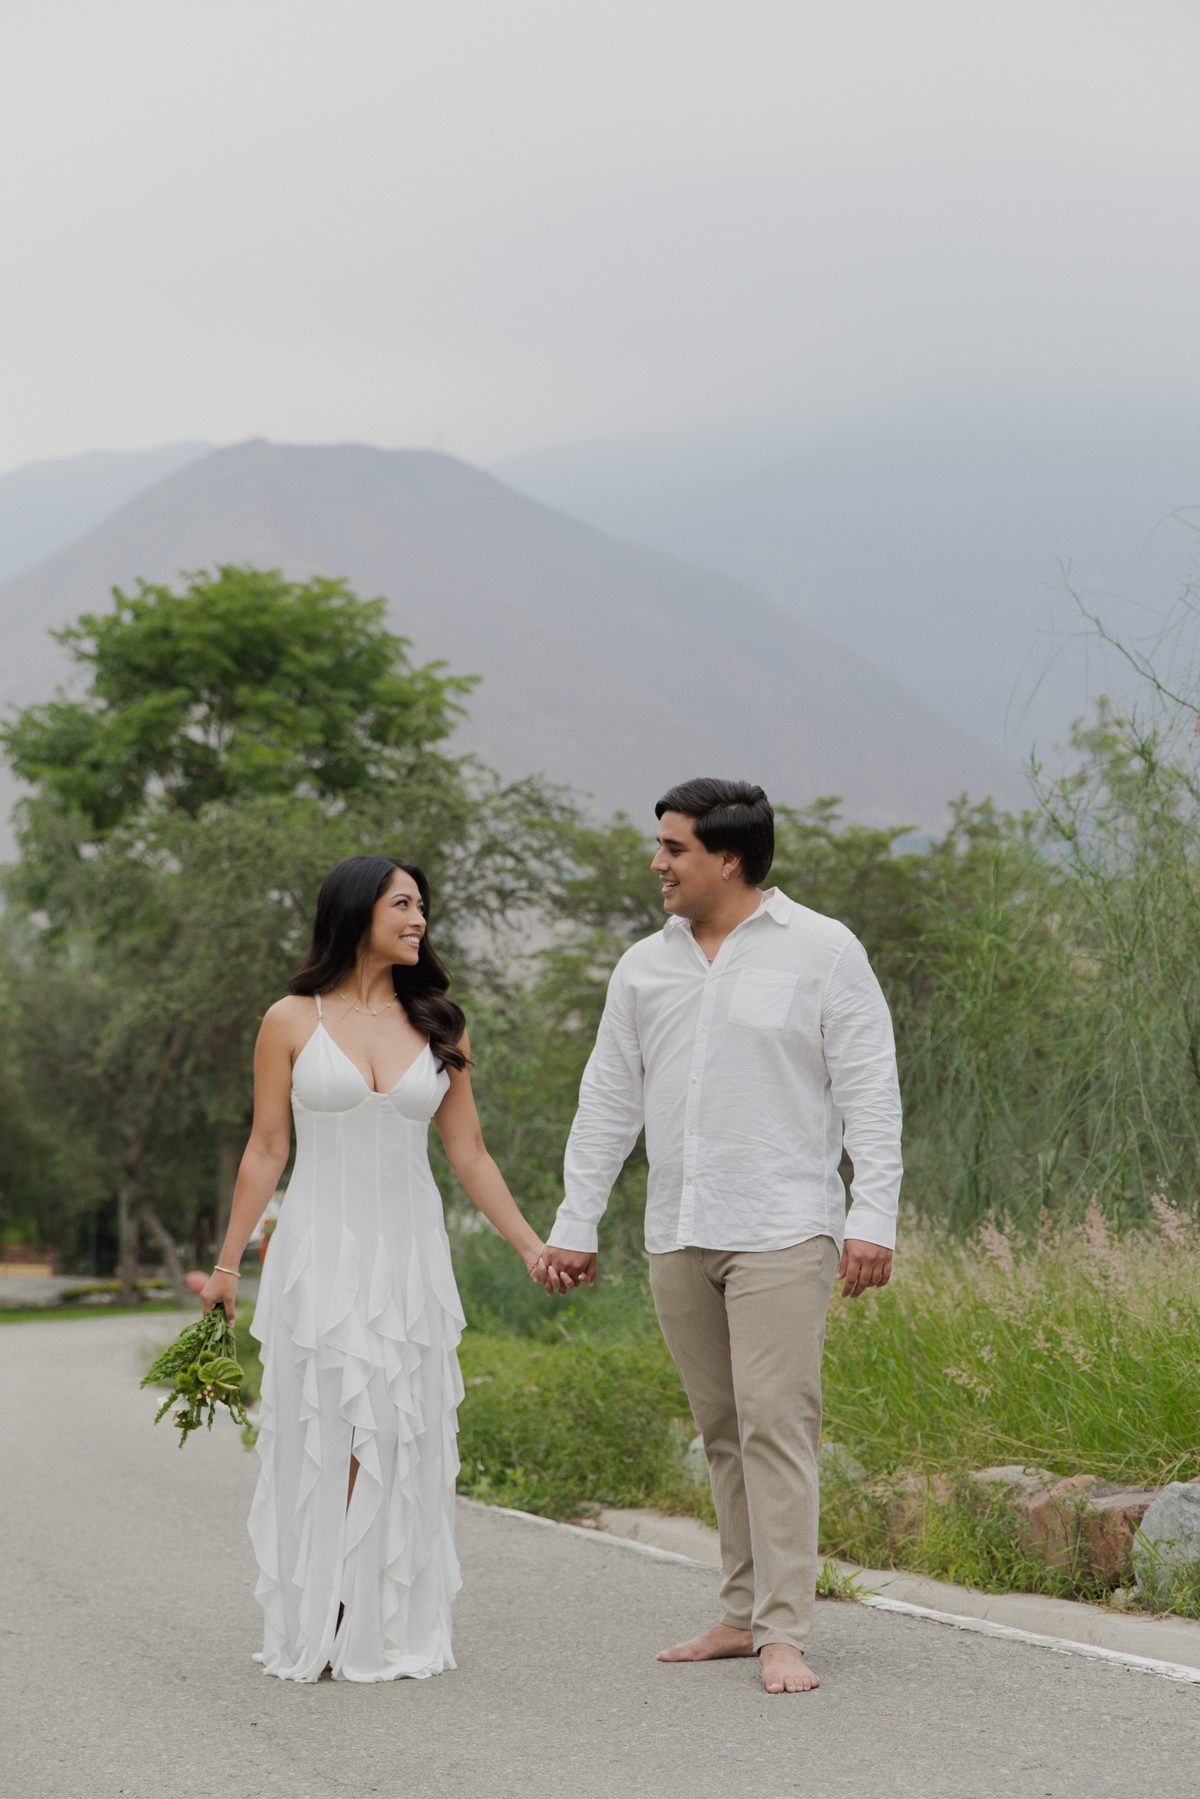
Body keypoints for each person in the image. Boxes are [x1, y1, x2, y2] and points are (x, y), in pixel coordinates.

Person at [540, 779, 902, 1696]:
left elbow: (870, 1091)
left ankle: (785, 1628)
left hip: (783, 1224)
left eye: (674, 848)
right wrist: (575, 1221)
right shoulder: (642, 967)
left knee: (778, 1421)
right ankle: (741, 1614)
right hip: (679, 1228)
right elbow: (607, 1101)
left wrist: (873, 1217)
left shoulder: (823, 950)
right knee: (722, 1428)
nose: (656, 863)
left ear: (728, 857)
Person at [201, 855, 562, 1682]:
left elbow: (468, 1152)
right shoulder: (290, 1019)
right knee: (328, 1425)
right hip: (319, 1247)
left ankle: (380, 1611)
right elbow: (267, 1147)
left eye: (423, 906)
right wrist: (226, 1263)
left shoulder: (440, 1022)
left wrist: (530, 1244)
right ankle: (322, 1605)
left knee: (397, 1424)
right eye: (403, 903)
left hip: (407, 1253)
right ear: (358, 910)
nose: (419, 918)